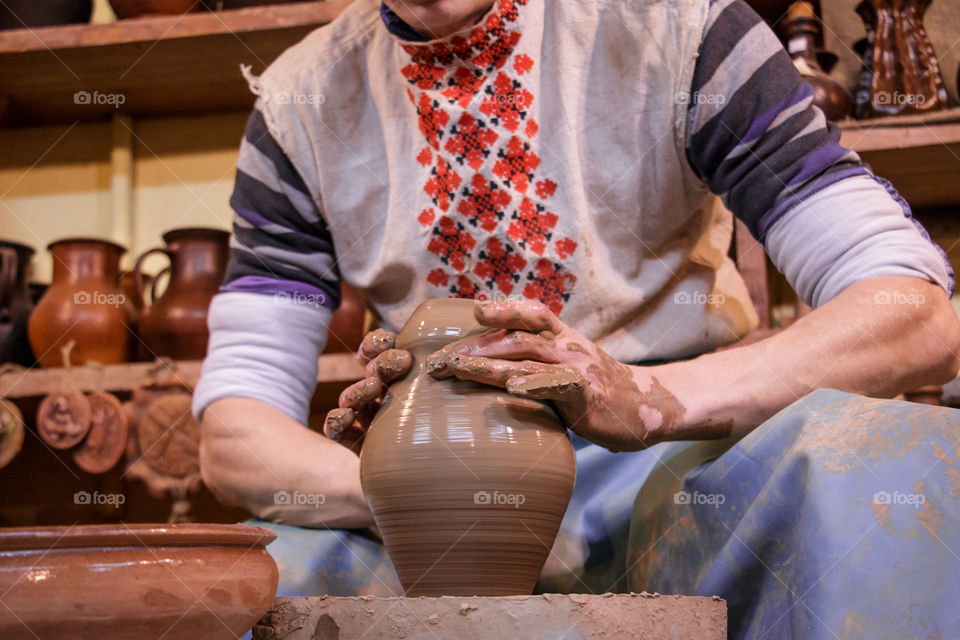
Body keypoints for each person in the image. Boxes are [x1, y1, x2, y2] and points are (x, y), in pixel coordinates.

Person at [192, 0, 960, 637]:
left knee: (876, 465)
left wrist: (654, 400)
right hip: (429, 490)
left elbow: (912, 310)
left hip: (684, 457)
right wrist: (394, 490)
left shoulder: (679, 26)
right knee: (264, 581)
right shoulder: (302, 102)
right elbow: (234, 432)